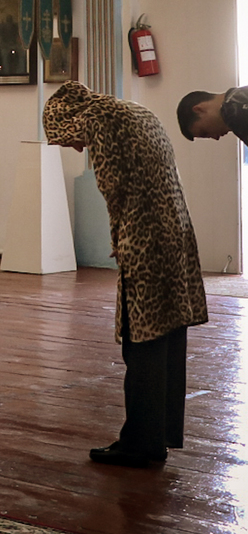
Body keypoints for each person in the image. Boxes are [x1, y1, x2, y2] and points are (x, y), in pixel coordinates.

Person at [43, 81, 208, 467]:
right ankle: (160, 434)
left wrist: (120, 237)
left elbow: (114, 187)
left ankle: (140, 444)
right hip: (175, 230)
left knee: (142, 340)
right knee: (168, 337)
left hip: (146, 238)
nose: (75, 148)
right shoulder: (136, 111)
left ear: (68, 121)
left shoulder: (99, 119)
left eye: (66, 140)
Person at [176, 87, 248, 143]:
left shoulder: (232, 112)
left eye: (205, 132)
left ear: (199, 110)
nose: (216, 138)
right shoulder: (240, 93)